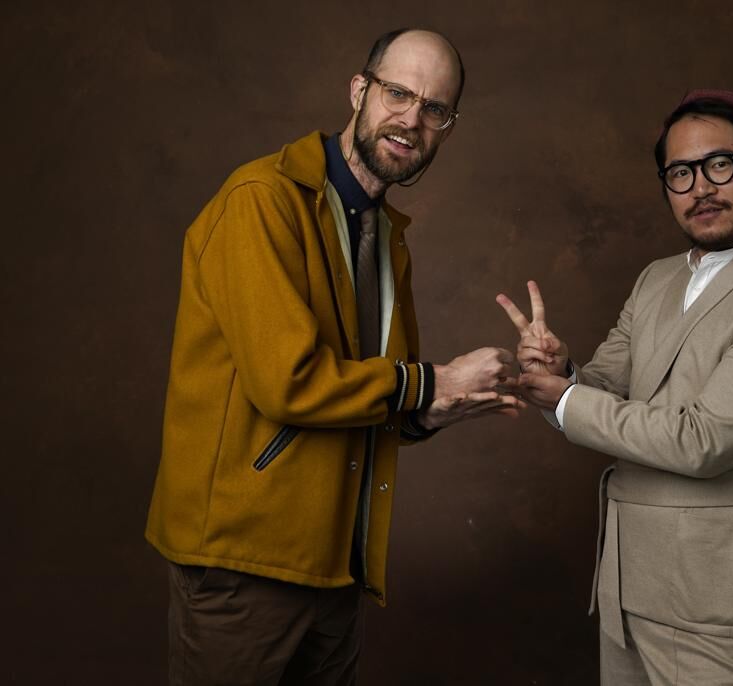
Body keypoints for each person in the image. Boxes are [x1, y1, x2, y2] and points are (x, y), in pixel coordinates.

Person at [146, 28, 522, 685]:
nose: (412, 119)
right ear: (358, 91)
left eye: (435, 109)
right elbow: (289, 384)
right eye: (398, 93)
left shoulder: (382, 233)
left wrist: (442, 406)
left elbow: (369, 396)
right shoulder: (261, 200)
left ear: (448, 128)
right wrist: (432, 381)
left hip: (335, 566)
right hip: (245, 564)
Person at [499, 89, 733, 685]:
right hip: (628, 589)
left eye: (719, 164)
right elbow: (606, 385)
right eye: (680, 174)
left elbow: (702, 442)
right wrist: (561, 371)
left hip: (720, 605)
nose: (700, 188)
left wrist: (567, 398)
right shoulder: (657, 278)